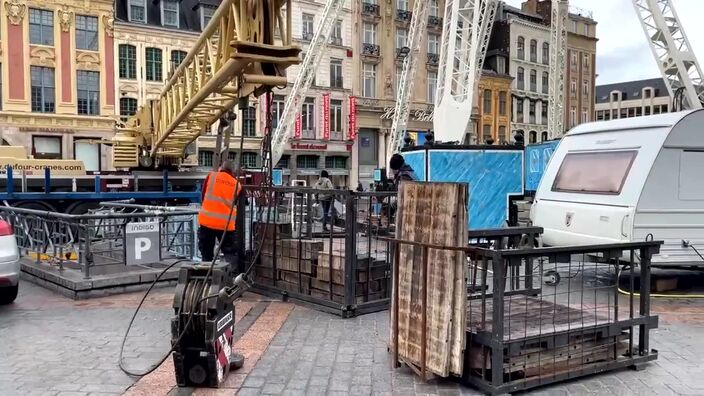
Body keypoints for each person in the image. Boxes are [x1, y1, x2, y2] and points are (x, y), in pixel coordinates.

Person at [198, 159, 243, 268]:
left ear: (221, 168)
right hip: (226, 224)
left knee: (206, 251)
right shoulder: (237, 185)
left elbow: (203, 196)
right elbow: (237, 202)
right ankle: (231, 276)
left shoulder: (211, 176)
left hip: (207, 221)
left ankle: (206, 276)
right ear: (233, 171)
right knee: (230, 253)